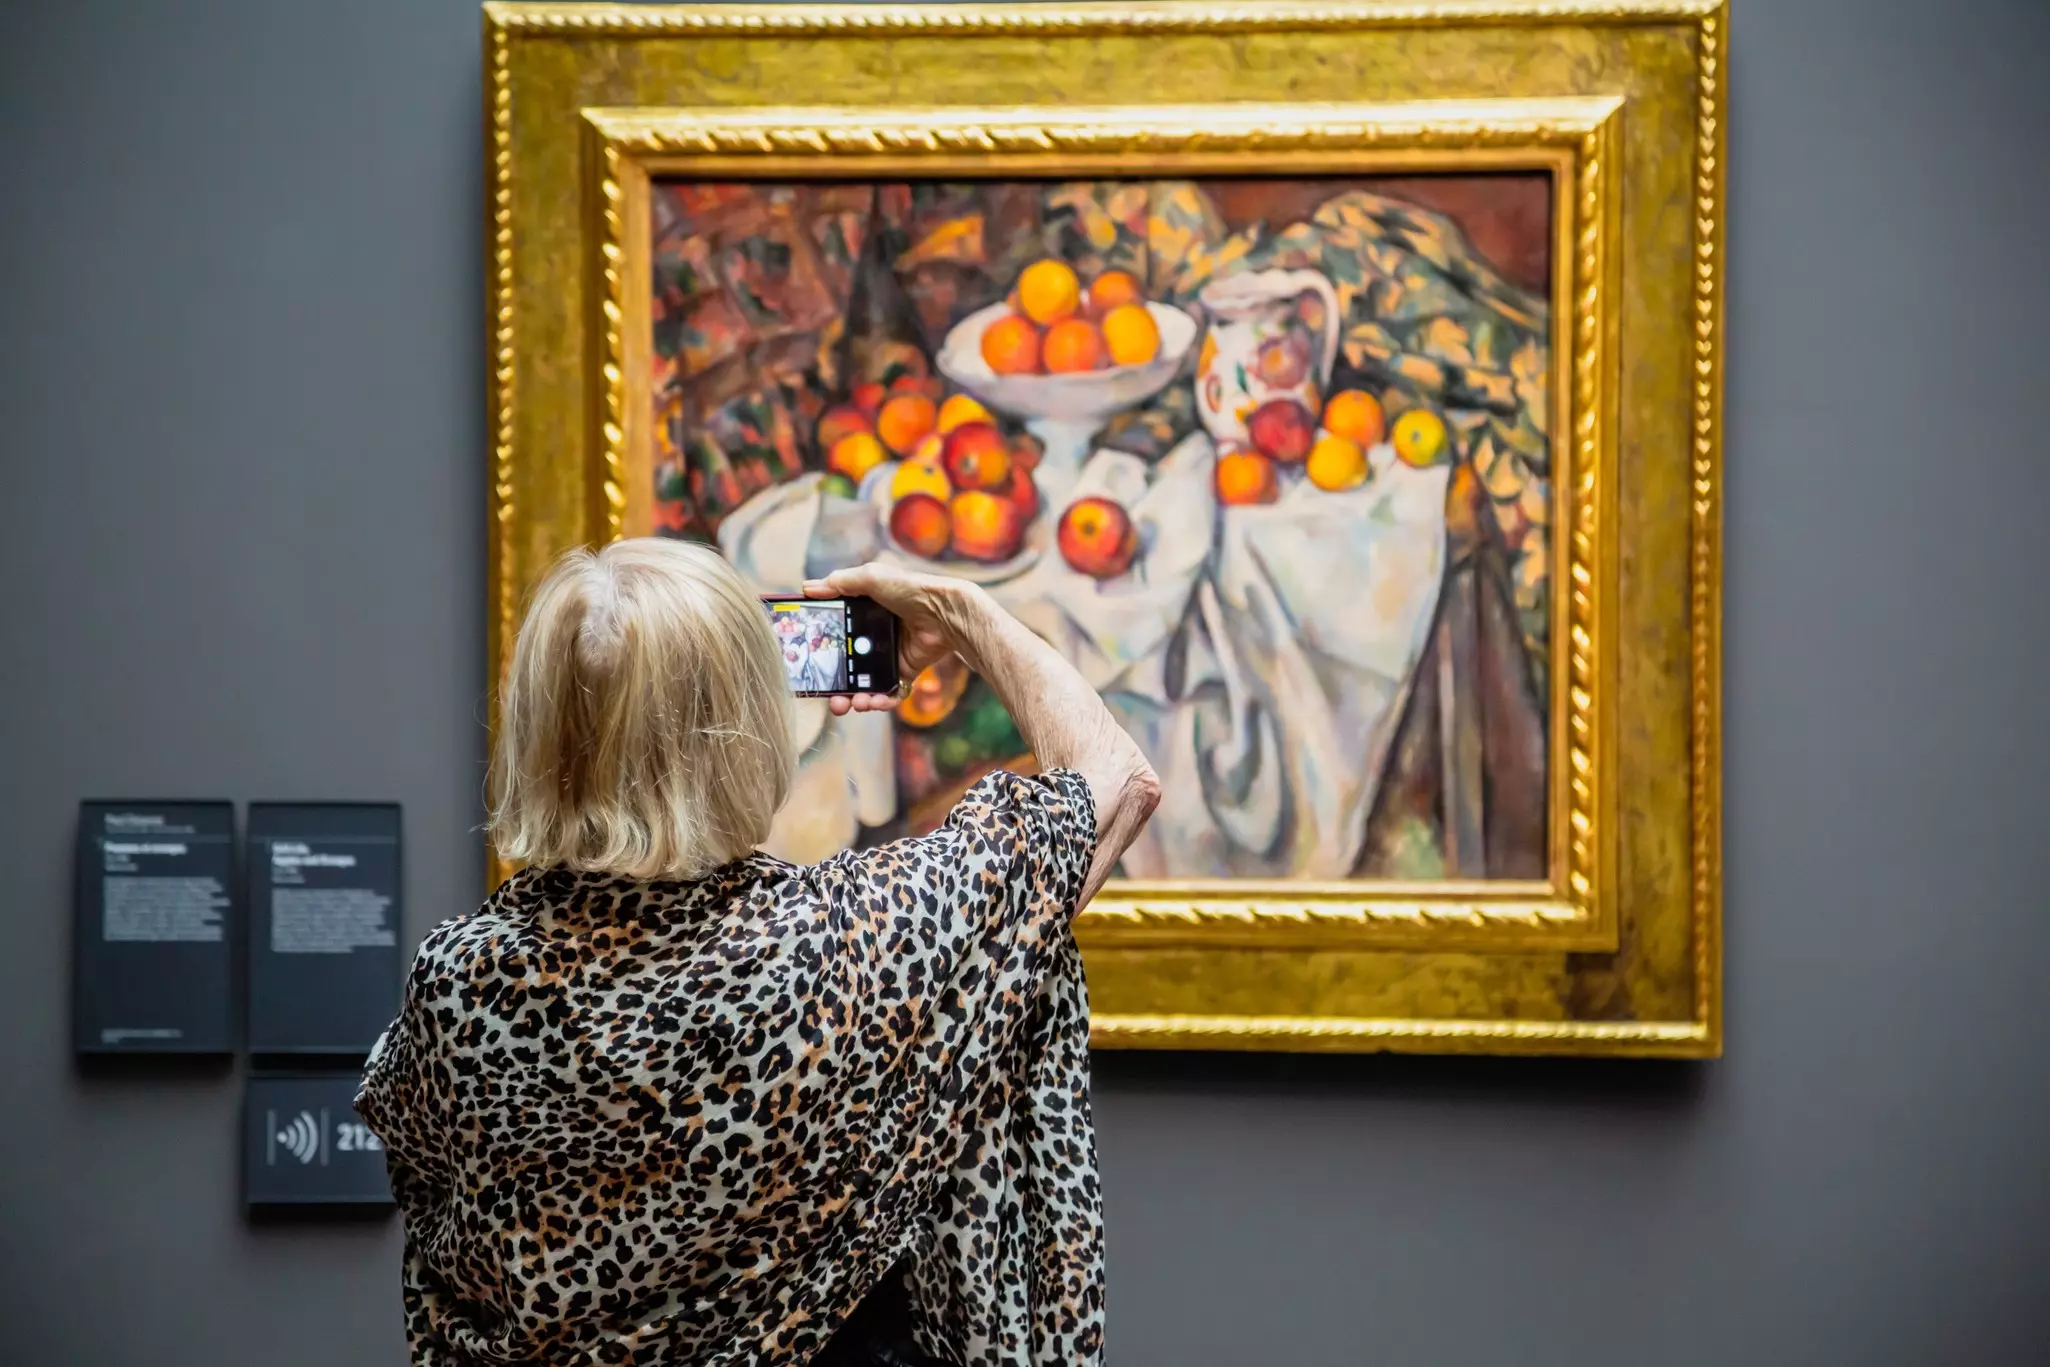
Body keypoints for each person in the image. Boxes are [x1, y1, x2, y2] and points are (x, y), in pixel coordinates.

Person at [354, 538, 1159, 1367]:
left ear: (537, 729)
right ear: (742, 733)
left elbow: (424, 1178)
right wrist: (960, 610)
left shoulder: (458, 983)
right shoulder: (854, 942)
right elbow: (1117, 778)